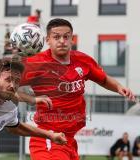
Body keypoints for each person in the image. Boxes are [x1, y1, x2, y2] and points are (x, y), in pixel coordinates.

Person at [19, 18, 135, 160]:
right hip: (48, 138)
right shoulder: (36, 63)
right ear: (47, 40)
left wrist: (119, 87)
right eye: (56, 37)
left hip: (68, 140)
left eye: (66, 36)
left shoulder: (83, 60)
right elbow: (5, 84)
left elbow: (103, 79)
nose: (62, 40)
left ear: (72, 39)